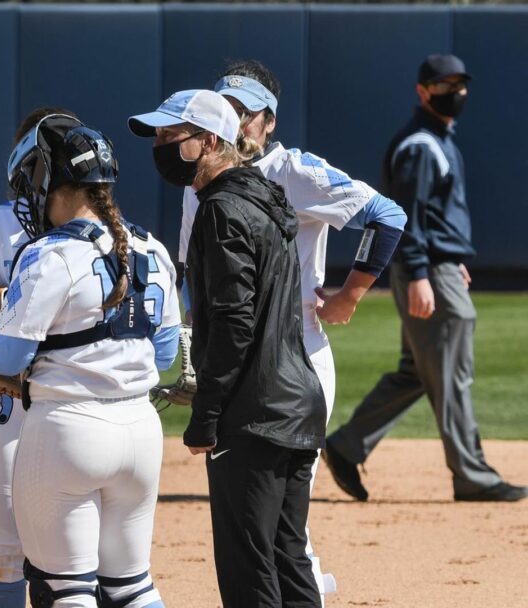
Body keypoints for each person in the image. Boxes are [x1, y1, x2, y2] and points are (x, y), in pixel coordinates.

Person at [174, 60, 407, 598]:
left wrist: (349, 293)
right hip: (237, 363)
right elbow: (194, 272)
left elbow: (387, 215)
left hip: (296, 355)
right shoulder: (199, 181)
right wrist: (196, 346)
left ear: (269, 121)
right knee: (276, 529)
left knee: (280, 532)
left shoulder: (294, 170)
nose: (237, 123)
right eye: (226, 112)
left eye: (246, 114)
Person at [0, 115, 179, 608]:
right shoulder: (152, 246)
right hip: (141, 432)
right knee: (132, 588)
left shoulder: (50, 253)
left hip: (67, 430)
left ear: (46, 182)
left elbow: (8, 356)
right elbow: (165, 353)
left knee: (66, 591)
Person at [129, 89, 326, 608]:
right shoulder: (264, 194)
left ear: (210, 141)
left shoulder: (220, 210)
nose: (161, 145)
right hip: (298, 399)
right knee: (287, 556)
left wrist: (207, 413)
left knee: (248, 569)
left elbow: (235, 324)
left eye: (173, 136)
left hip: (254, 412)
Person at [324, 54, 527, 503]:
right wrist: (420, 272)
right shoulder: (420, 146)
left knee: (418, 371)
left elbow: (434, 217)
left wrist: (451, 257)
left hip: (439, 267)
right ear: (423, 91)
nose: (456, 92)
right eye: (444, 84)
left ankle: (345, 445)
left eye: (460, 83)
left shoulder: (435, 139)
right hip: (428, 273)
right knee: (451, 372)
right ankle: (472, 474)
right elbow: (406, 219)